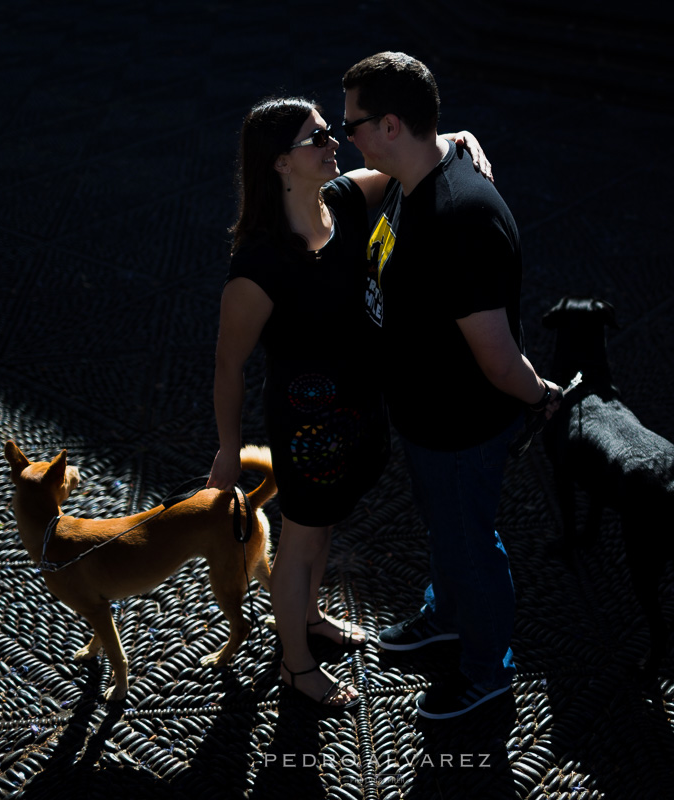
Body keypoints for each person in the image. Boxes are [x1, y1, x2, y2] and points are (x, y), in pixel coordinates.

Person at [207, 96, 492, 710]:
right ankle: (295, 665)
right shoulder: (257, 264)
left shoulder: (339, 201)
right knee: (301, 539)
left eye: (329, 132)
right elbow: (228, 365)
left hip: (358, 410)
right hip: (307, 428)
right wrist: (229, 449)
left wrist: (457, 132)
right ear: (281, 164)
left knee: (324, 527)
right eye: (317, 139)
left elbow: (407, 159)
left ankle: (307, 617)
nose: (333, 143)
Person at [341, 52, 562, 719]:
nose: (342, 137)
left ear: (389, 125)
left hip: (459, 422)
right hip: (427, 414)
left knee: (471, 542)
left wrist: (543, 397)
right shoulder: (424, 170)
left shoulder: (457, 217)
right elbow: (443, 136)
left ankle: (488, 670)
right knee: (449, 532)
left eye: (351, 125)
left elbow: (496, 357)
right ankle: (446, 616)